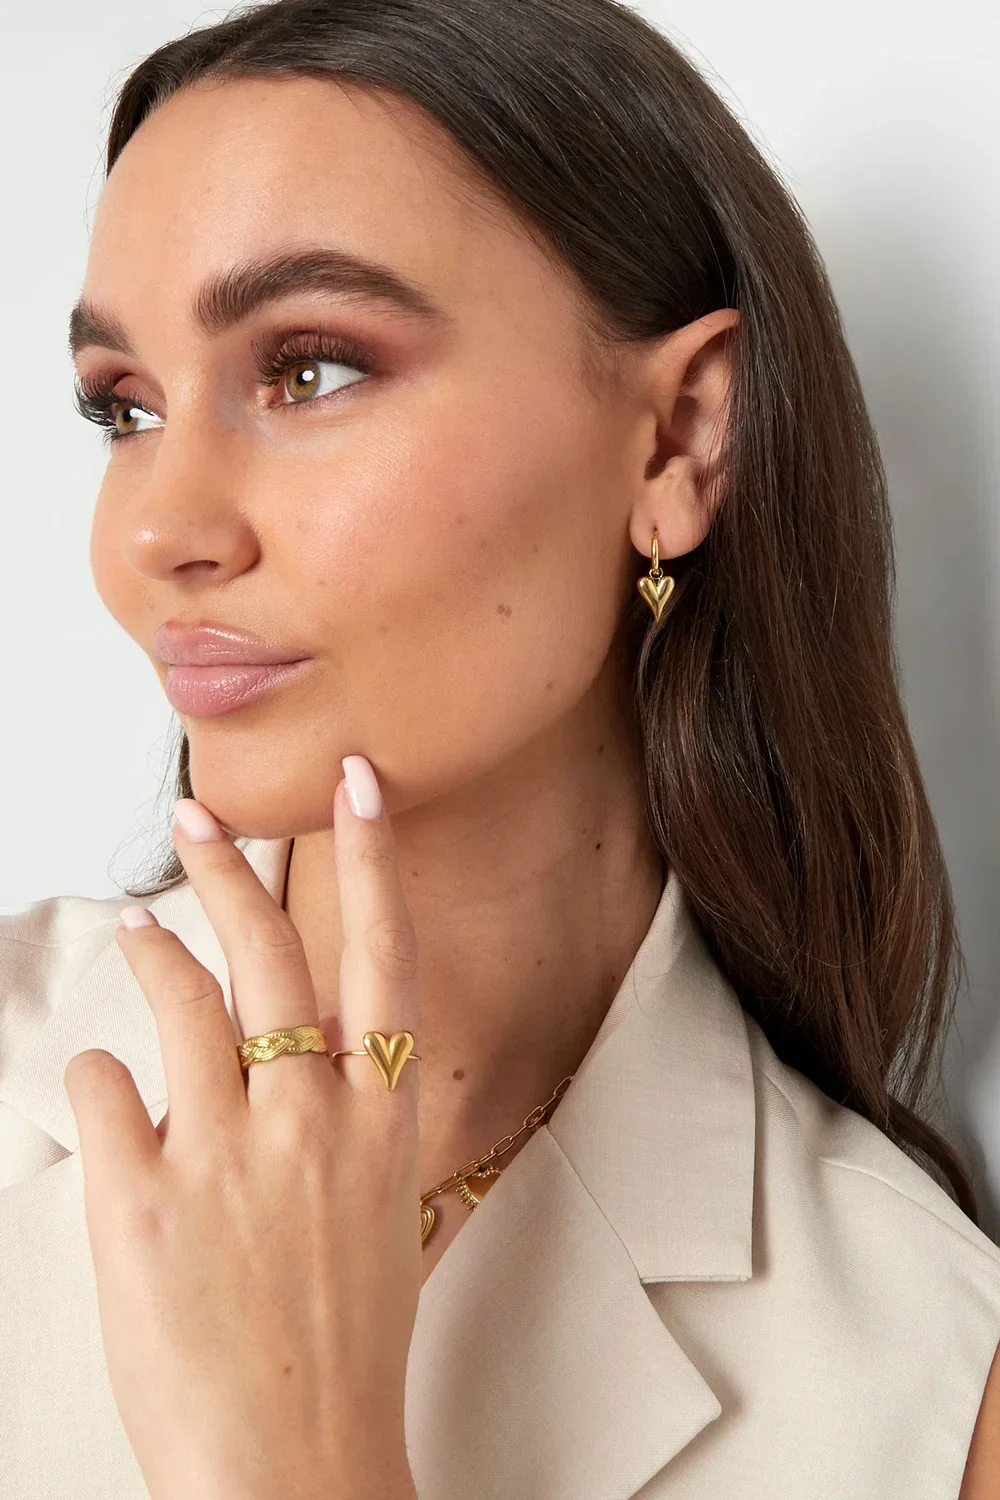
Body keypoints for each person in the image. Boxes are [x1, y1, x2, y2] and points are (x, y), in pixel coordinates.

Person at [1, 1, 997, 1496]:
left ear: (680, 441)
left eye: (310, 369)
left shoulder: (932, 1389)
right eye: (124, 408)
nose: (158, 532)